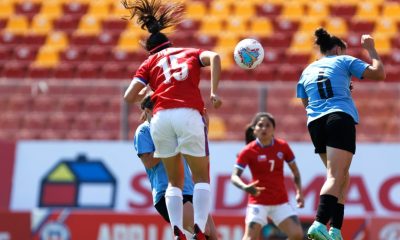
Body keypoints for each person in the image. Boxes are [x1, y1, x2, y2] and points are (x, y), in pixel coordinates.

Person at [122, 0, 222, 239]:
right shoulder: (188, 52)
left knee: (174, 182)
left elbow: (128, 97)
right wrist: (214, 92)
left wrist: (156, 92)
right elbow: (216, 57)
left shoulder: (148, 63)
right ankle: (198, 225)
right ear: (170, 43)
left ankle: (177, 230)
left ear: (150, 50)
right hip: (188, 113)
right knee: (201, 177)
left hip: (160, 117)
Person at [296, 28, 385, 240]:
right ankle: (318, 223)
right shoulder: (343, 59)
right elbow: (379, 73)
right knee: (336, 176)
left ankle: (335, 230)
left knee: (342, 177)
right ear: (337, 49)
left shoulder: (307, 70)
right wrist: (372, 50)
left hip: (316, 123)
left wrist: (342, 87)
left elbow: (305, 101)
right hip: (338, 118)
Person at [133, 95, 218, 239]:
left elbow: (196, 142)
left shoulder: (172, 127)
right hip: (166, 192)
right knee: (204, 231)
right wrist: (171, 143)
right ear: (147, 111)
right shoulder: (144, 131)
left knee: (213, 236)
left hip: (190, 190)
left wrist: (205, 124)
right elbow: (148, 162)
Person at [231, 112, 305, 240]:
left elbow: (295, 172)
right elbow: (234, 177)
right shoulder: (248, 151)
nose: (264, 128)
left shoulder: (283, 146)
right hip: (258, 201)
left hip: (280, 201)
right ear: (254, 130)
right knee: (249, 238)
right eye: (260, 125)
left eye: (267, 125)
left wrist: (299, 192)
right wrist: (245, 187)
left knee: (297, 234)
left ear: (273, 130)